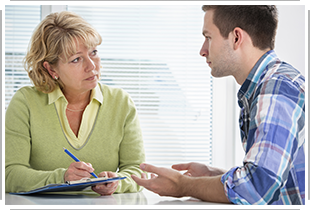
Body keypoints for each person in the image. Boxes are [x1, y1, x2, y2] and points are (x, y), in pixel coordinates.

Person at [132, 5, 305, 205]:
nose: (202, 50)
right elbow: (272, 179)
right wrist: (212, 175)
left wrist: (182, 185)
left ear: (236, 38)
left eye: (208, 37)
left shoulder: (276, 89)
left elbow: (257, 188)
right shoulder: (265, 86)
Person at [5, 11, 145, 195]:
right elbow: (9, 175)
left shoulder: (121, 103)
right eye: (76, 59)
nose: (92, 66)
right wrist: (62, 178)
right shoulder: (25, 102)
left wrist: (118, 183)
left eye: (93, 52)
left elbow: (137, 171)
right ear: (51, 68)